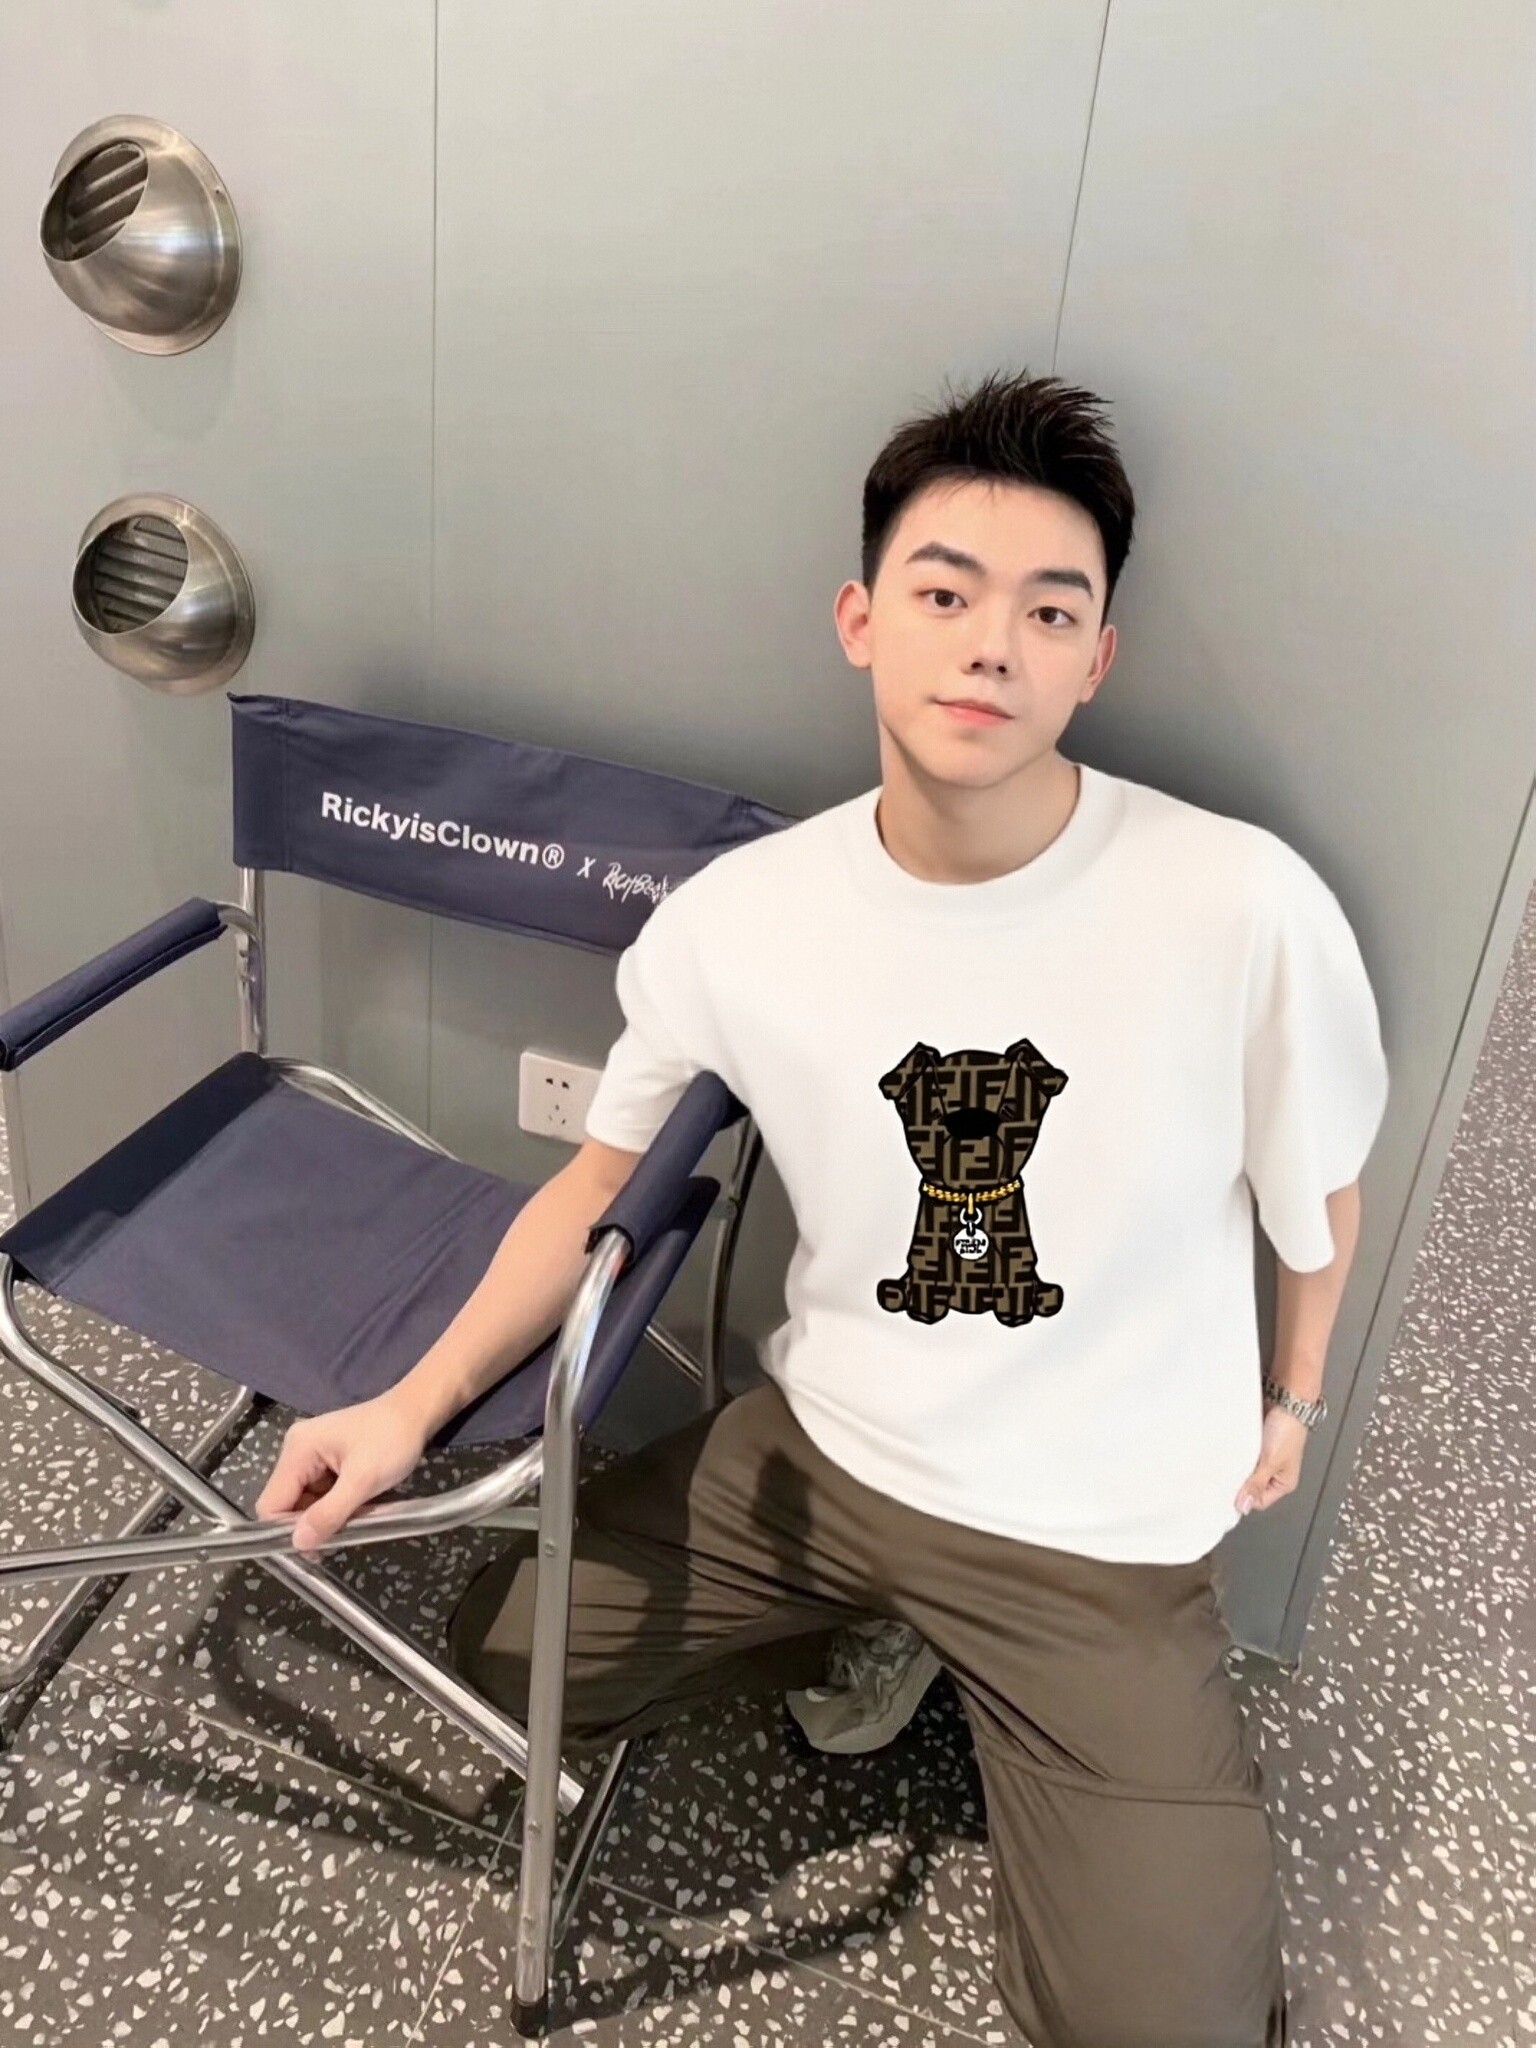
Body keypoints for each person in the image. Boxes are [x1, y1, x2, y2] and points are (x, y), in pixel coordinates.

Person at [256, 367, 1389, 2046]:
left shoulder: (1240, 905)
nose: (990, 647)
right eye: (944, 594)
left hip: (1095, 1541)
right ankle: (869, 1629)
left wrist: (1294, 1398)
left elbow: (1322, 1189)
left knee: (1169, 2028)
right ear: (862, 621)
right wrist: (411, 1407)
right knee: (502, 1647)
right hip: (824, 1461)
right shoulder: (744, 917)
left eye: (1047, 611)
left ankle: (993, 1683)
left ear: (1097, 658)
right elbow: (597, 1183)